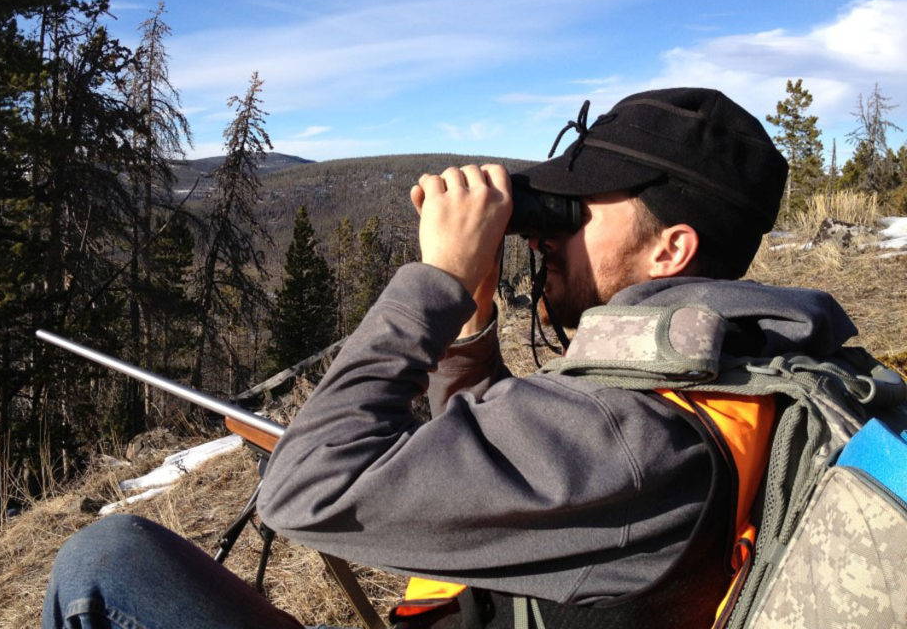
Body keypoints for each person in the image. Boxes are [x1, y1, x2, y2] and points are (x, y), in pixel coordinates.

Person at [43, 87, 860, 628]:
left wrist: (433, 283)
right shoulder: (727, 370)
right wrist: (469, 328)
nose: (548, 230)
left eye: (578, 209)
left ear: (671, 248)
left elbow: (302, 490)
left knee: (107, 559)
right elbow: (518, 454)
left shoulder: (632, 439)